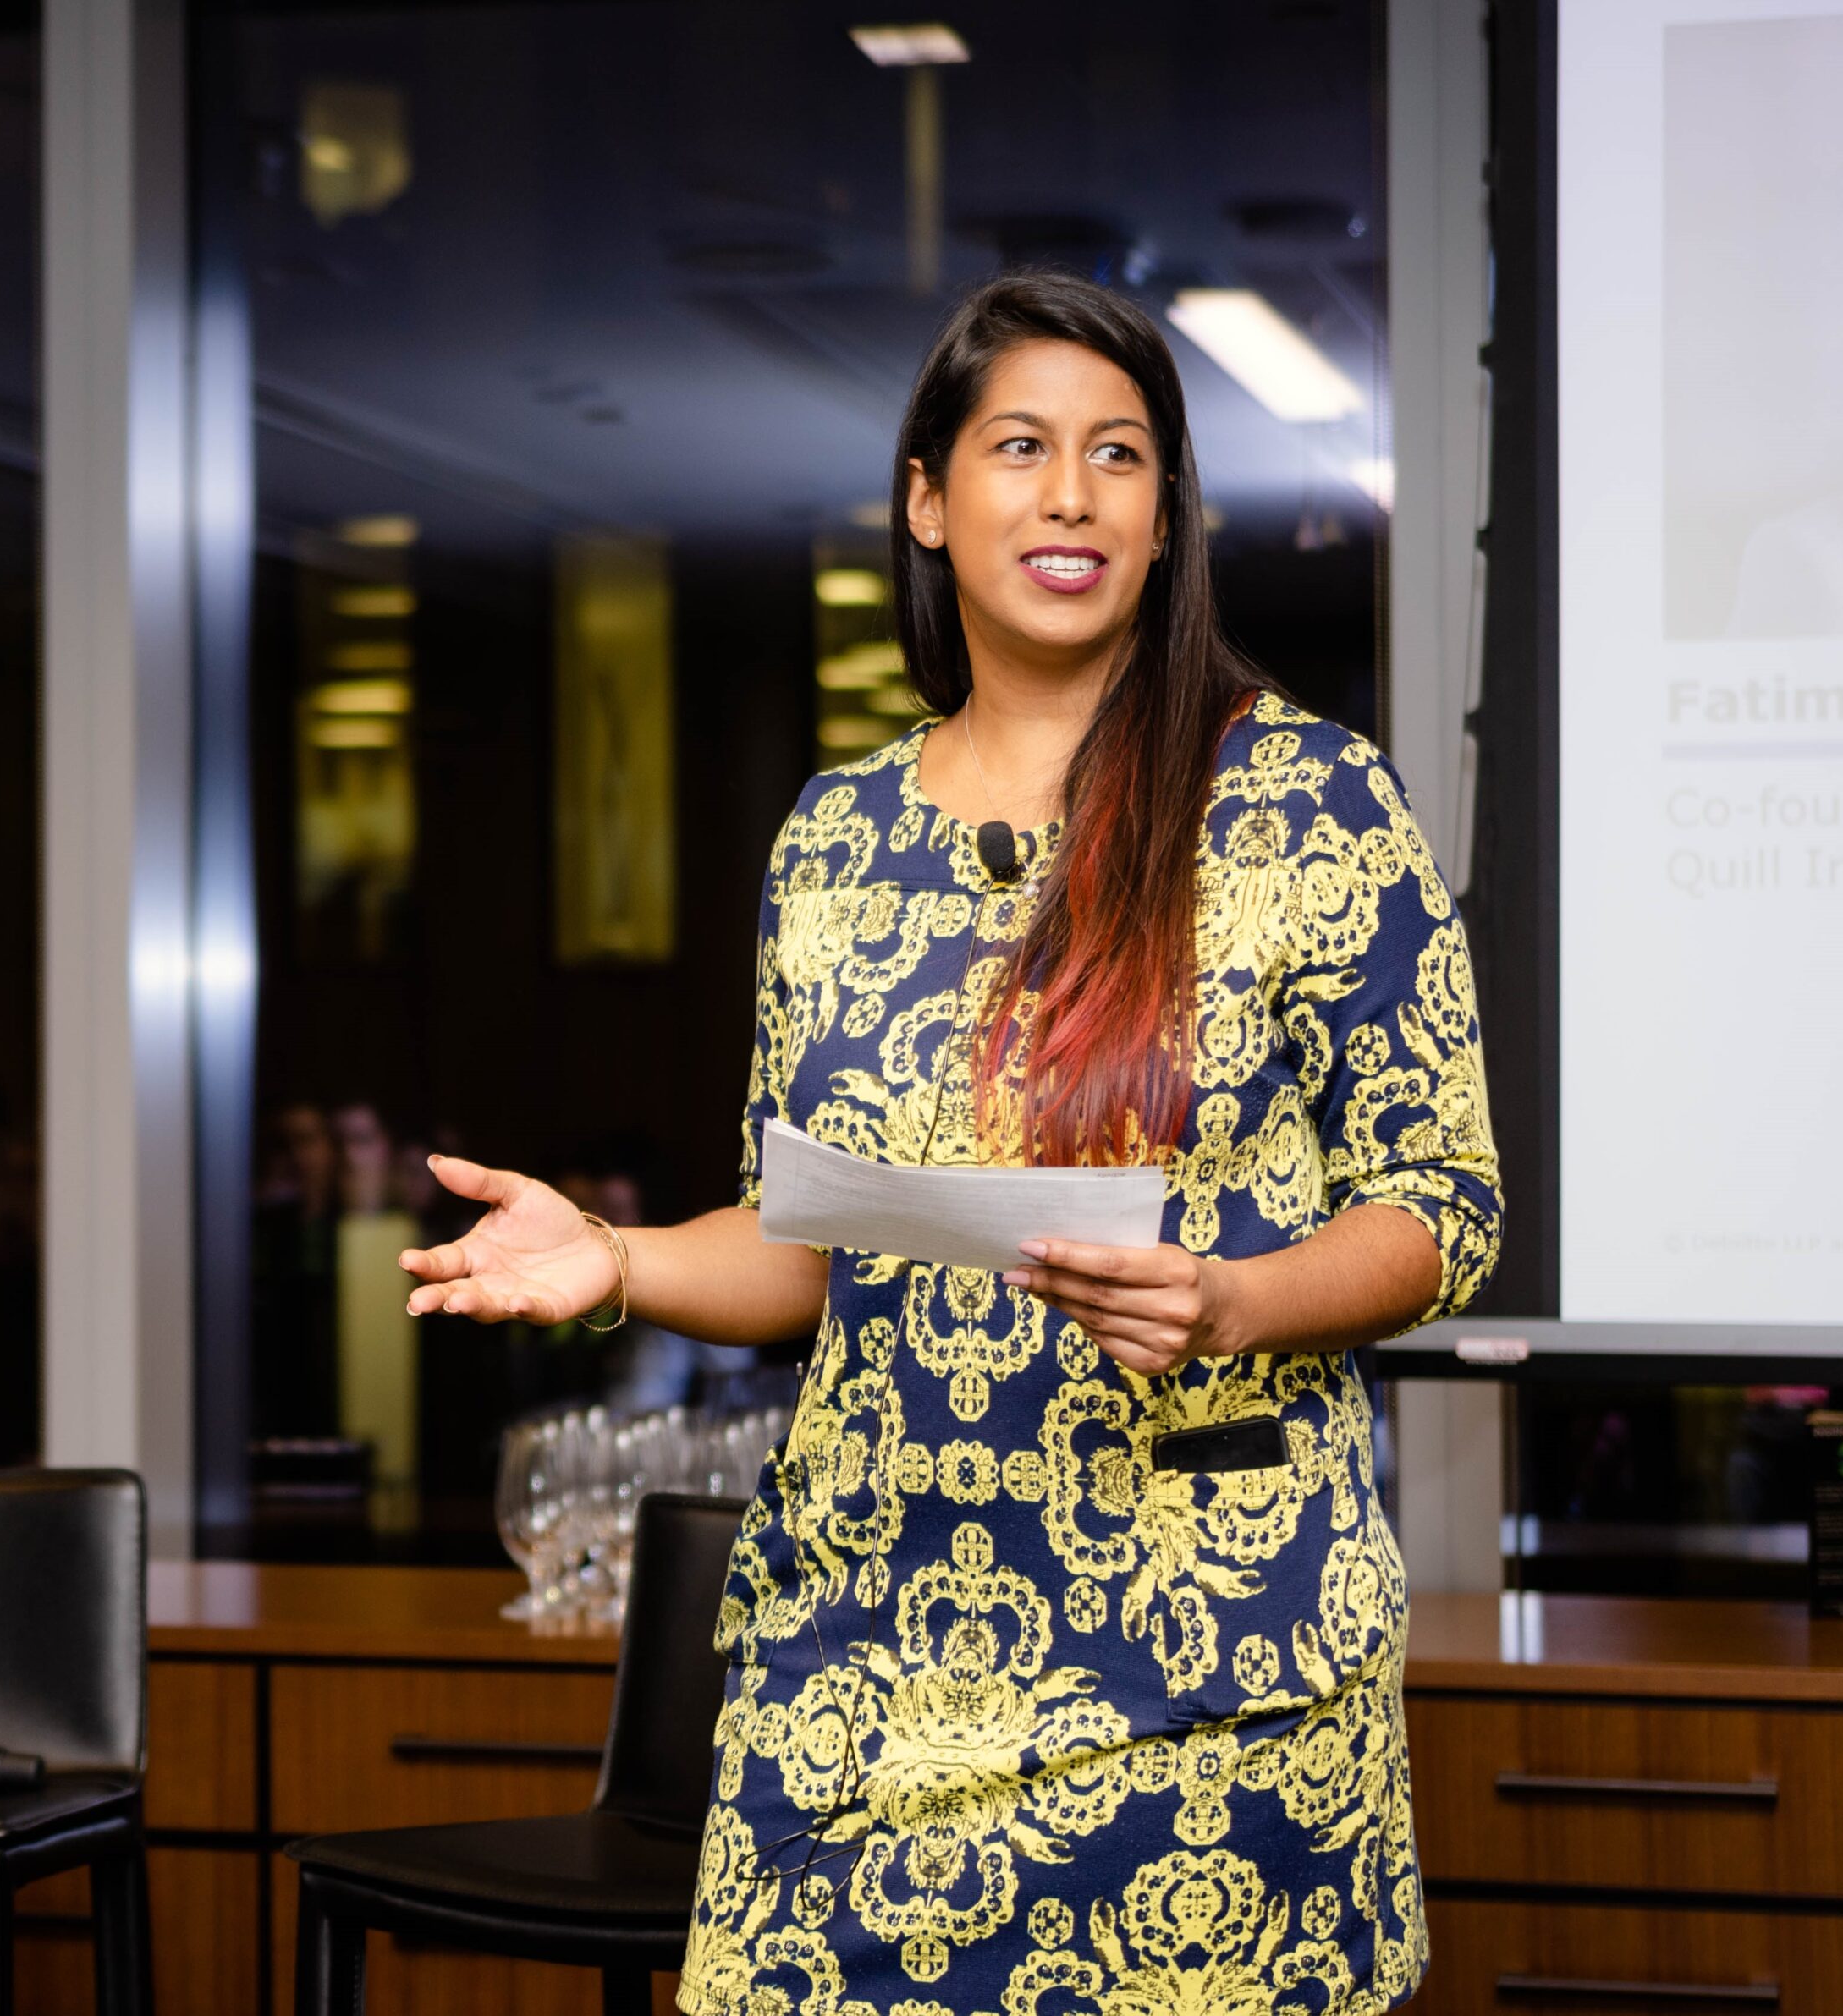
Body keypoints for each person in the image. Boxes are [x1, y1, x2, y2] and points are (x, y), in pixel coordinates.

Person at [400, 271, 1502, 2015]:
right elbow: (805, 1243)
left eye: (1117, 457)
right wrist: (615, 1264)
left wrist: (1233, 1302)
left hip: (1204, 1699)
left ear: (1160, 521)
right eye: (1018, 448)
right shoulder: (830, 843)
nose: (1068, 494)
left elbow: (1441, 1207)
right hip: (858, 1681)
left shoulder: (1309, 801)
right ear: (927, 499)